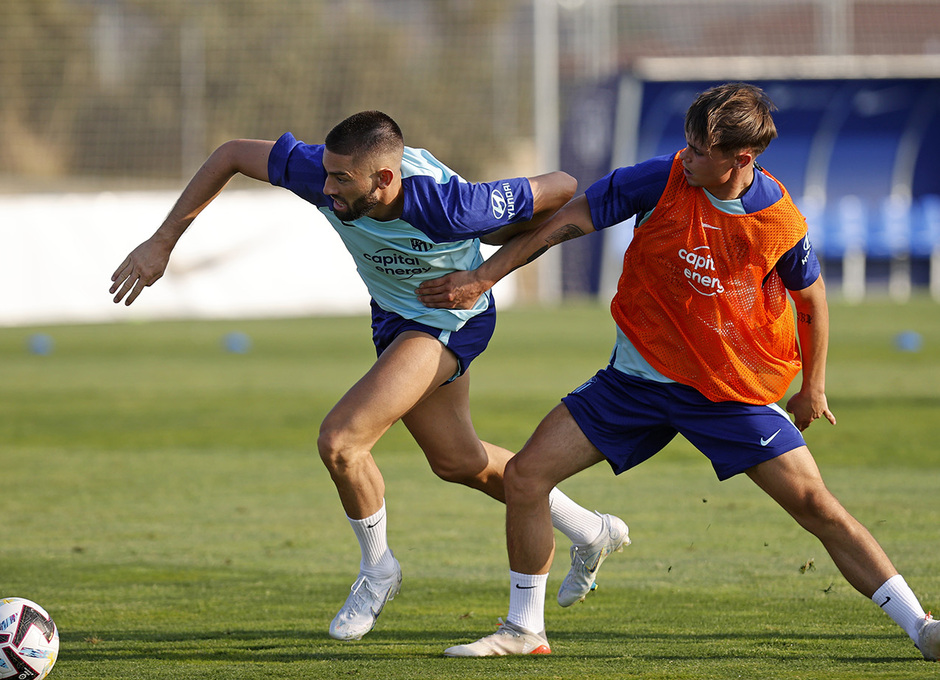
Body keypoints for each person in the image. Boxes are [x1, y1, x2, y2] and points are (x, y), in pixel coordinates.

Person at [418, 83, 940, 660]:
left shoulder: (777, 221)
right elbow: (567, 220)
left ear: (742, 159)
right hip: (635, 381)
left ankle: (922, 627)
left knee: (817, 506)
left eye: (698, 150)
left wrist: (812, 387)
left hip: (728, 391)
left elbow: (811, 299)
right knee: (524, 476)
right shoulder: (659, 178)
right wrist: (485, 277)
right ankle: (524, 631)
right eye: (685, 143)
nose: (684, 157)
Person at [109, 111, 629, 642]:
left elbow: (563, 186)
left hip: (451, 318)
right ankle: (591, 530)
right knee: (458, 461)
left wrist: (486, 261)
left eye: (342, 181)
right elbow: (231, 154)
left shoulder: (454, 205)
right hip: (395, 318)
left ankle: (378, 568)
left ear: (384, 179)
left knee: (341, 441)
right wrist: (163, 241)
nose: (326, 188)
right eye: (327, 174)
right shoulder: (321, 172)